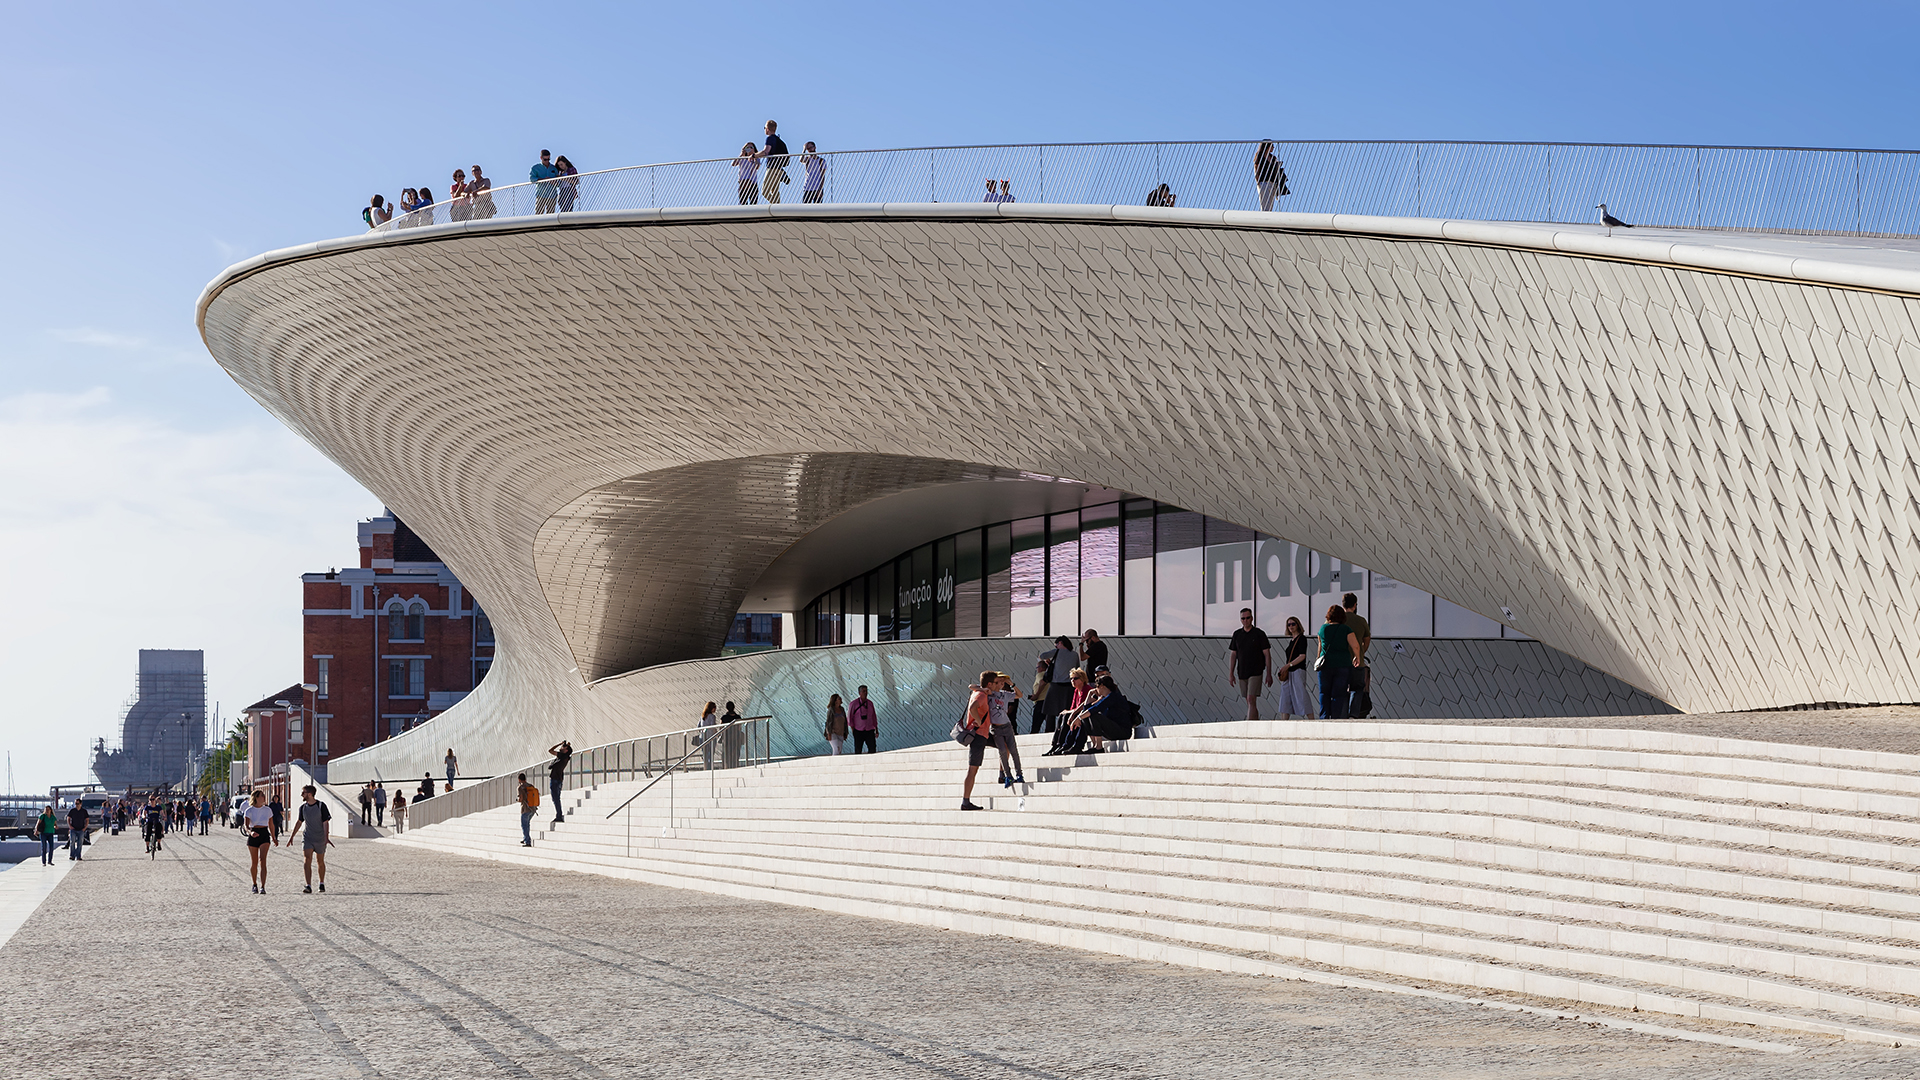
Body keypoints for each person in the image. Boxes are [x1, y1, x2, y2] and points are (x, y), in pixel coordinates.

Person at [958, 673, 996, 811]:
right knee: (972, 769)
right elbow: (973, 707)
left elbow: (971, 686)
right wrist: (978, 721)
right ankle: (965, 801)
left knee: (1003, 745)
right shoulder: (981, 695)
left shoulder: (977, 691)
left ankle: (1004, 774)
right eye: (997, 682)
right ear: (990, 684)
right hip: (979, 735)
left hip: (983, 734)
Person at [284, 785, 333, 894]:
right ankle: (308, 885)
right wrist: (292, 836)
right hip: (308, 837)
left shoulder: (321, 806)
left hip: (320, 838)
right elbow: (299, 822)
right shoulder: (303, 808)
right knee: (307, 859)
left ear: (310, 794)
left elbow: (325, 822)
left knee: (320, 861)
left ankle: (321, 883)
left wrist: (326, 838)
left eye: (304, 792)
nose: (302, 794)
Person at [1228, 608, 1274, 721]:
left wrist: (1269, 673)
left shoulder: (1259, 634)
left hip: (1256, 670)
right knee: (1249, 701)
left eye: (1248, 618)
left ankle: (1249, 724)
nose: (1245, 620)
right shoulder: (1237, 634)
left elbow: (1267, 654)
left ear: (1252, 618)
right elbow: (1233, 654)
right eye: (1243, 618)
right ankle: (1255, 723)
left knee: (1251, 698)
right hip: (1242, 671)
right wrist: (1231, 673)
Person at [1317, 605, 1361, 719]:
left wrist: (1318, 660)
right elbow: (1355, 646)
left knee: (1324, 693)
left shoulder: (1323, 629)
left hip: (1325, 665)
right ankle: (1335, 718)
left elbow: (1321, 646)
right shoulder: (1346, 629)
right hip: (1343, 665)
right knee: (1339, 693)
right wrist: (1357, 657)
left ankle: (1324, 717)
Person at [1034, 636, 1077, 734]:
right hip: (1069, 685)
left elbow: (1042, 656)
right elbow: (1076, 667)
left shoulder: (1057, 652)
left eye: (1056, 645)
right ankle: (1067, 729)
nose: (1056, 646)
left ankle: (1050, 731)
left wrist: (1050, 660)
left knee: (1050, 710)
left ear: (1060, 643)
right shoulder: (1075, 654)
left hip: (1056, 684)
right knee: (1067, 709)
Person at [1343, 592, 1373, 718]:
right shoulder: (1361, 621)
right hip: (1358, 661)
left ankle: (1342, 713)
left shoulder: (1337, 619)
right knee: (1357, 688)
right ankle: (1353, 714)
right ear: (1355, 605)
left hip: (1341, 661)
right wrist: (1361, 652)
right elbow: (1367, 639)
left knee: (1342, 689)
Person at [1278, 616, 1313, 719]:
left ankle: (1312, 720)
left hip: (1297, 670)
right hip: (1289, 672)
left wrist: (1289, 665)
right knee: (1285, 697)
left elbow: (1302, 656)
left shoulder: (1301, 638)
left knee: (1301, 695)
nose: (1291, 626)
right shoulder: (1292, 640)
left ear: (1298, 625)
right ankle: (1284, 723)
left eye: (1293, 624)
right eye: (1289, 624)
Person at [243, 791, 273, 893]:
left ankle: (263, 886)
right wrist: (250, 832)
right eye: (262, 796)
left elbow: (271, 825)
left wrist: (274, 837)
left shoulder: (268, 810)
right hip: (254, 833)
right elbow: (246, 826)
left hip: (264, 833)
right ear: (256, 798)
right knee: (254, 862)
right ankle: (254, 883)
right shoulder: (249, 810)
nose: (264, 797)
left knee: (263, 860)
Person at [757, 120, 789, 204]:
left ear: (767, 129)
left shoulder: (770, 138)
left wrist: (754, 156)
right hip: (779, 169)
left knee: (765, 191)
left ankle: (777, 207)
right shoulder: (779, 140)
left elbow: (766, 151)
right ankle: (778, 207)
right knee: (774, 191)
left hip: (772, 168)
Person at [1255, 141, 1289, 212]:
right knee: (1265, 205)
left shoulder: (1273, 158)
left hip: (1272, 183)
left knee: (1270, 205)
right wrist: (1258, 181)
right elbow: (1256, 168)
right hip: (1263, 182)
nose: (1273, 147)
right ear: (1267, 146)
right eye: (1272, 145)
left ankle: (1268, 218)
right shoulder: (1260, 156)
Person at [847, 685, 879, 754]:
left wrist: (876, 729)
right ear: (859, 693)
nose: (865, 693)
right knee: (858, 749)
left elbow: (874, 716)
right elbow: (849, 717)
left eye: (866, 691)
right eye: (863, 691)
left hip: (869, 729)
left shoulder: (870, 703)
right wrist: (853, 729)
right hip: (858, 730)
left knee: (872, 748)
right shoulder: (853, 704)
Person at [548, 740, 572, 824]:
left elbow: (550, 750)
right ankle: (559, 815)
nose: (561, 748)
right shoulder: (566, 757)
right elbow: (568, 751)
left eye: (563, 747)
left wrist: (559, 744)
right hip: (559, 779)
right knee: (556, 798)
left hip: (555, 779)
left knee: (555, 798)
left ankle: (559, 816)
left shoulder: (562, 756)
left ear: (566, 750)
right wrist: (566, 746)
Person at [531, 150, 560, 214]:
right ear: (541, 158)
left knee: (550, 216)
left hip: (552, 195)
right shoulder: (535, 168)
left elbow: (559, 182)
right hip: (541, 194)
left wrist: (554, 182)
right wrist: (543, 180)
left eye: (548, 159)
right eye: (545, 159)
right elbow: (532, 179)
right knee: (538, 214)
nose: (547, 161)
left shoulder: (554, 168)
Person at [516, 773, 539, 846]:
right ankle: (525, 838)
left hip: (525, 809)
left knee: (524, 825)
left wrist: (517, 800)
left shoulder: (520, 787)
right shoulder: (531, 786)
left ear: (519, 780)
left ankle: (528, 841)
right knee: (527, 824)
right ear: (525, 779)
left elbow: (521, 798)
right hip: (533, 809)